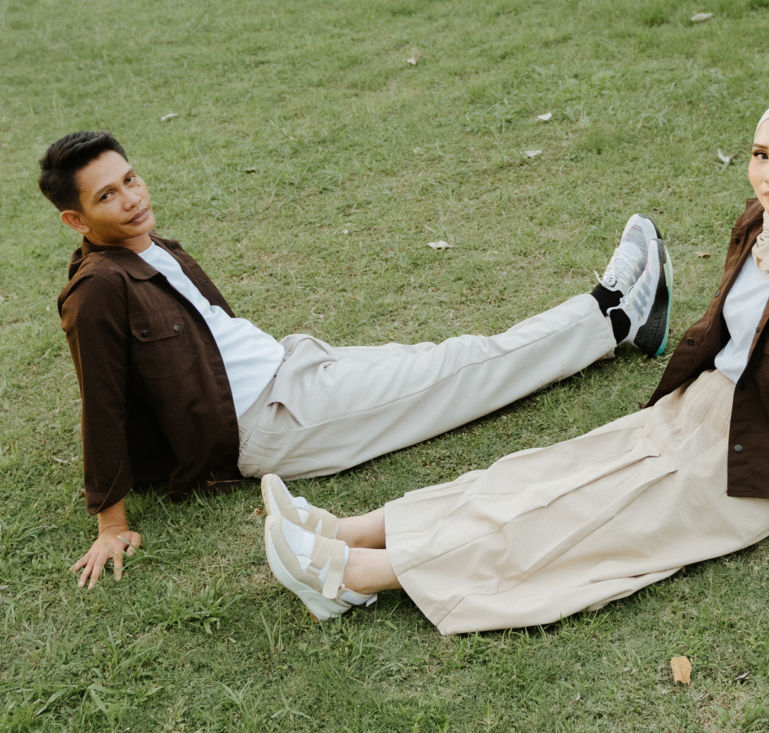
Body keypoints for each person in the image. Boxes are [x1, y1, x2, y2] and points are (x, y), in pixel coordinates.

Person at [259, 95, 769, 633]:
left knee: (590, 518)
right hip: (701, 409)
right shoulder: (763, 222)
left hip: (757, 457)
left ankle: (357, 577)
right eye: (761, 154)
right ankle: (351, 529)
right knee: (544, 473)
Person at [39, 131, 672, 590]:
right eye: (107, 195)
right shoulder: (97, 291)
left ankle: (618, 321)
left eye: (130, 179)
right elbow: (103, 401)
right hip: (275, 419)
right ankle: (612, 316)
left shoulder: (146, 244)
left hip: (294, 365)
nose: (131, 198)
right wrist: (110, 522)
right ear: (76, 219)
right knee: (465, 370)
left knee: (448, 359)